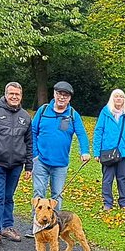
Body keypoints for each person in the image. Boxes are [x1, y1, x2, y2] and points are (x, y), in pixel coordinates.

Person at [0, 81, 33, 248]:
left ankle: (7, 227)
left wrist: (29, 166)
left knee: (9, 197)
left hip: (16, 164)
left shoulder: (25, 116)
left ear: (21, 96)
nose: (14, 97)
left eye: (17, 94)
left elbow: (29, 142)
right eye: (11, 94)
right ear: (6, 94)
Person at [31, 81, 90, 210]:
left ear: (69, 98)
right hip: (40, 161)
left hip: (60, 163)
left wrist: (84, 151)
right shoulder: (43, 110)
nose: (62, 97)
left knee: (56, 196)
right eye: (59, 94)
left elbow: (82, 134)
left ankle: (55, 227)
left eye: (66, 95)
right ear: (54, 94)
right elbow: (33, 131)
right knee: (38, 194)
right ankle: (36, 227)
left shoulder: (73, 115)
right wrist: (35, 154)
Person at [92, 88, 125, 210]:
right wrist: (97, 152)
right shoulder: (105, 113)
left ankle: (124, 203)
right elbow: (98, 132)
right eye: (116, 96)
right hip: (108, 151)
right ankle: (107, 202)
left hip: (123, 151)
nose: (119, 99)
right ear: (112, 99)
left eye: (121, 97)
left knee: (122, 178)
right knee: (107, 179)